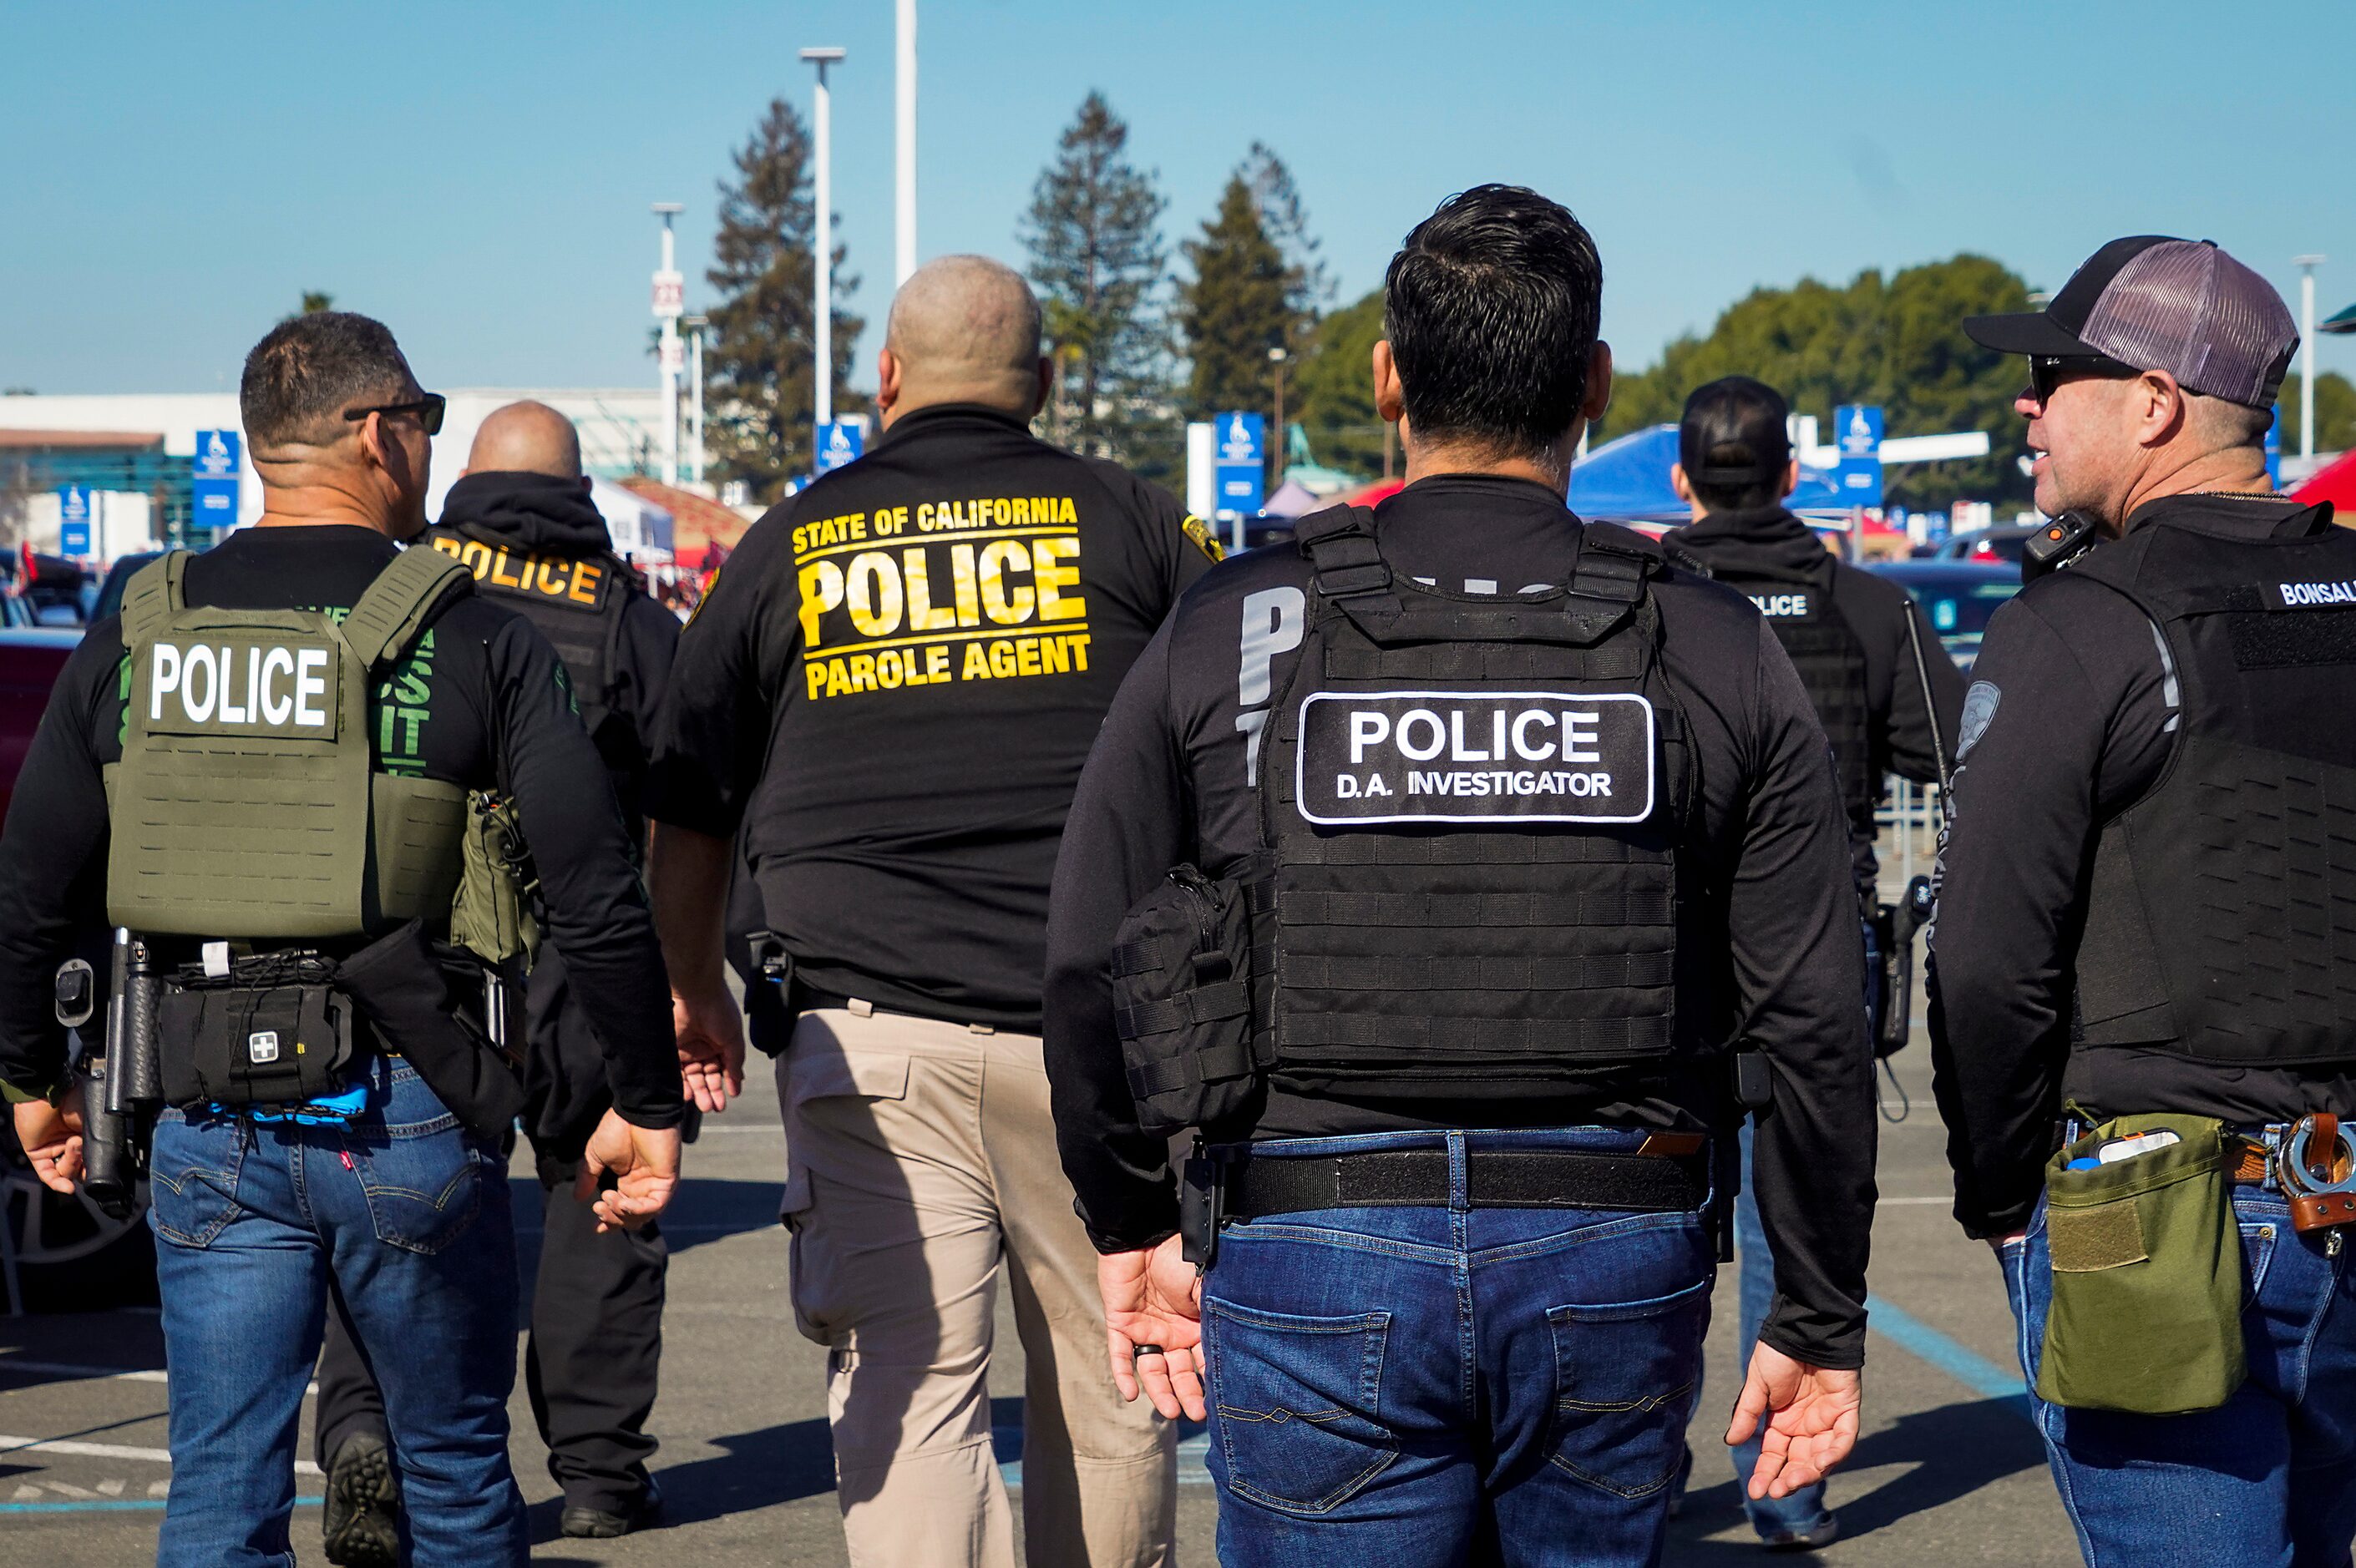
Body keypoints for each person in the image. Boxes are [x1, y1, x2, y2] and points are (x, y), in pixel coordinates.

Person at [1041, 184, 1877, 1565]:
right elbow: (1809, 1016)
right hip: (1612, 1237)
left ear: (1386, 379)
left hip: (1309, 1235)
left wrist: (1127, 1219)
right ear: (1596, 384)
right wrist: (1818, 1314)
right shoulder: (1709, 641)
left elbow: (1086, 956)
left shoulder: (1234, 621)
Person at [0, 311, 686, 1568]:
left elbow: (36, 874)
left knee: (219, 1490)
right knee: (458, 1475)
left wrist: (29, 1075)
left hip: (200, 1110)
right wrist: (645, 1096)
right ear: (379, 435)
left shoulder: (142, 623)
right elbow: (593, 885)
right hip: (408, 1099)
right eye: (421, 423)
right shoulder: (468, 630)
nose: (423, 448)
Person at [644, 254, 1219, 1567]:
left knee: (910, 1391)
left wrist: (691, 996)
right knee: (1115, 1376)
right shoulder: (1134, 526)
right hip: (1098, 1044)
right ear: (1047, 383)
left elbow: (689, 809)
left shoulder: (790, 540)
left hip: (870, 1035)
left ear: (885, 380)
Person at [1930, 235, 2356, 1561]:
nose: (2027, 405)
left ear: (2154, 403)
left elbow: (1986, 955)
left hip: (2160, 1217)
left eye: (2055, 374)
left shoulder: (2082, 621)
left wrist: (1998, 1195)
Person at [308, 400, 685, 1560]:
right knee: (602, 1191)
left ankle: (367, 1426)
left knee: (390, 1190)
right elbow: (687, 801)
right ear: (579, 490)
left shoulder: (406, 592)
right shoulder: (629, 616)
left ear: (465, 477)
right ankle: (598, 1473)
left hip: (421, 953)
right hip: (582, 947)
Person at [1668, 375, 1962, 1549]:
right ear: (1791, 474)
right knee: (1800, 1235)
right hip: (1814, 951)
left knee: (1652, 1235)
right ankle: (1781, 1487)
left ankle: (1627, 1484)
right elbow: (1949, 751)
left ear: (1683, 480)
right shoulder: (1865, 605)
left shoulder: (1645, 596)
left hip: (1667, 963)